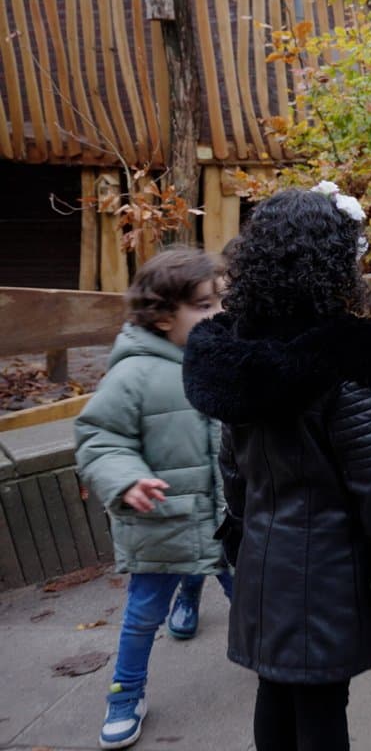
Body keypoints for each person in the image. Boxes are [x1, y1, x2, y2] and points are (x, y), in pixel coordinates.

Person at [183, 186, 371, 751]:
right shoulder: (349, 367)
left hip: (264, 564)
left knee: (276, 693)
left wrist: (245, 534)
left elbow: (233, 470)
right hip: (327, 577)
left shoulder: (238, 360)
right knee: (320, 704)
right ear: (336, 265)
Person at [75, 248, 233, 749]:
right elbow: (100, 439)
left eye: (222, 303)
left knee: (251, 596)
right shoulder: (134, 375)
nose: (220, 315)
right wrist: (126, 481)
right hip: (164, 521)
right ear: (165, 317)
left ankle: (272, 659)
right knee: (144, 613)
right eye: (206, 306)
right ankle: (125, 693)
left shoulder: (221, 360)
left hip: (228, 516)